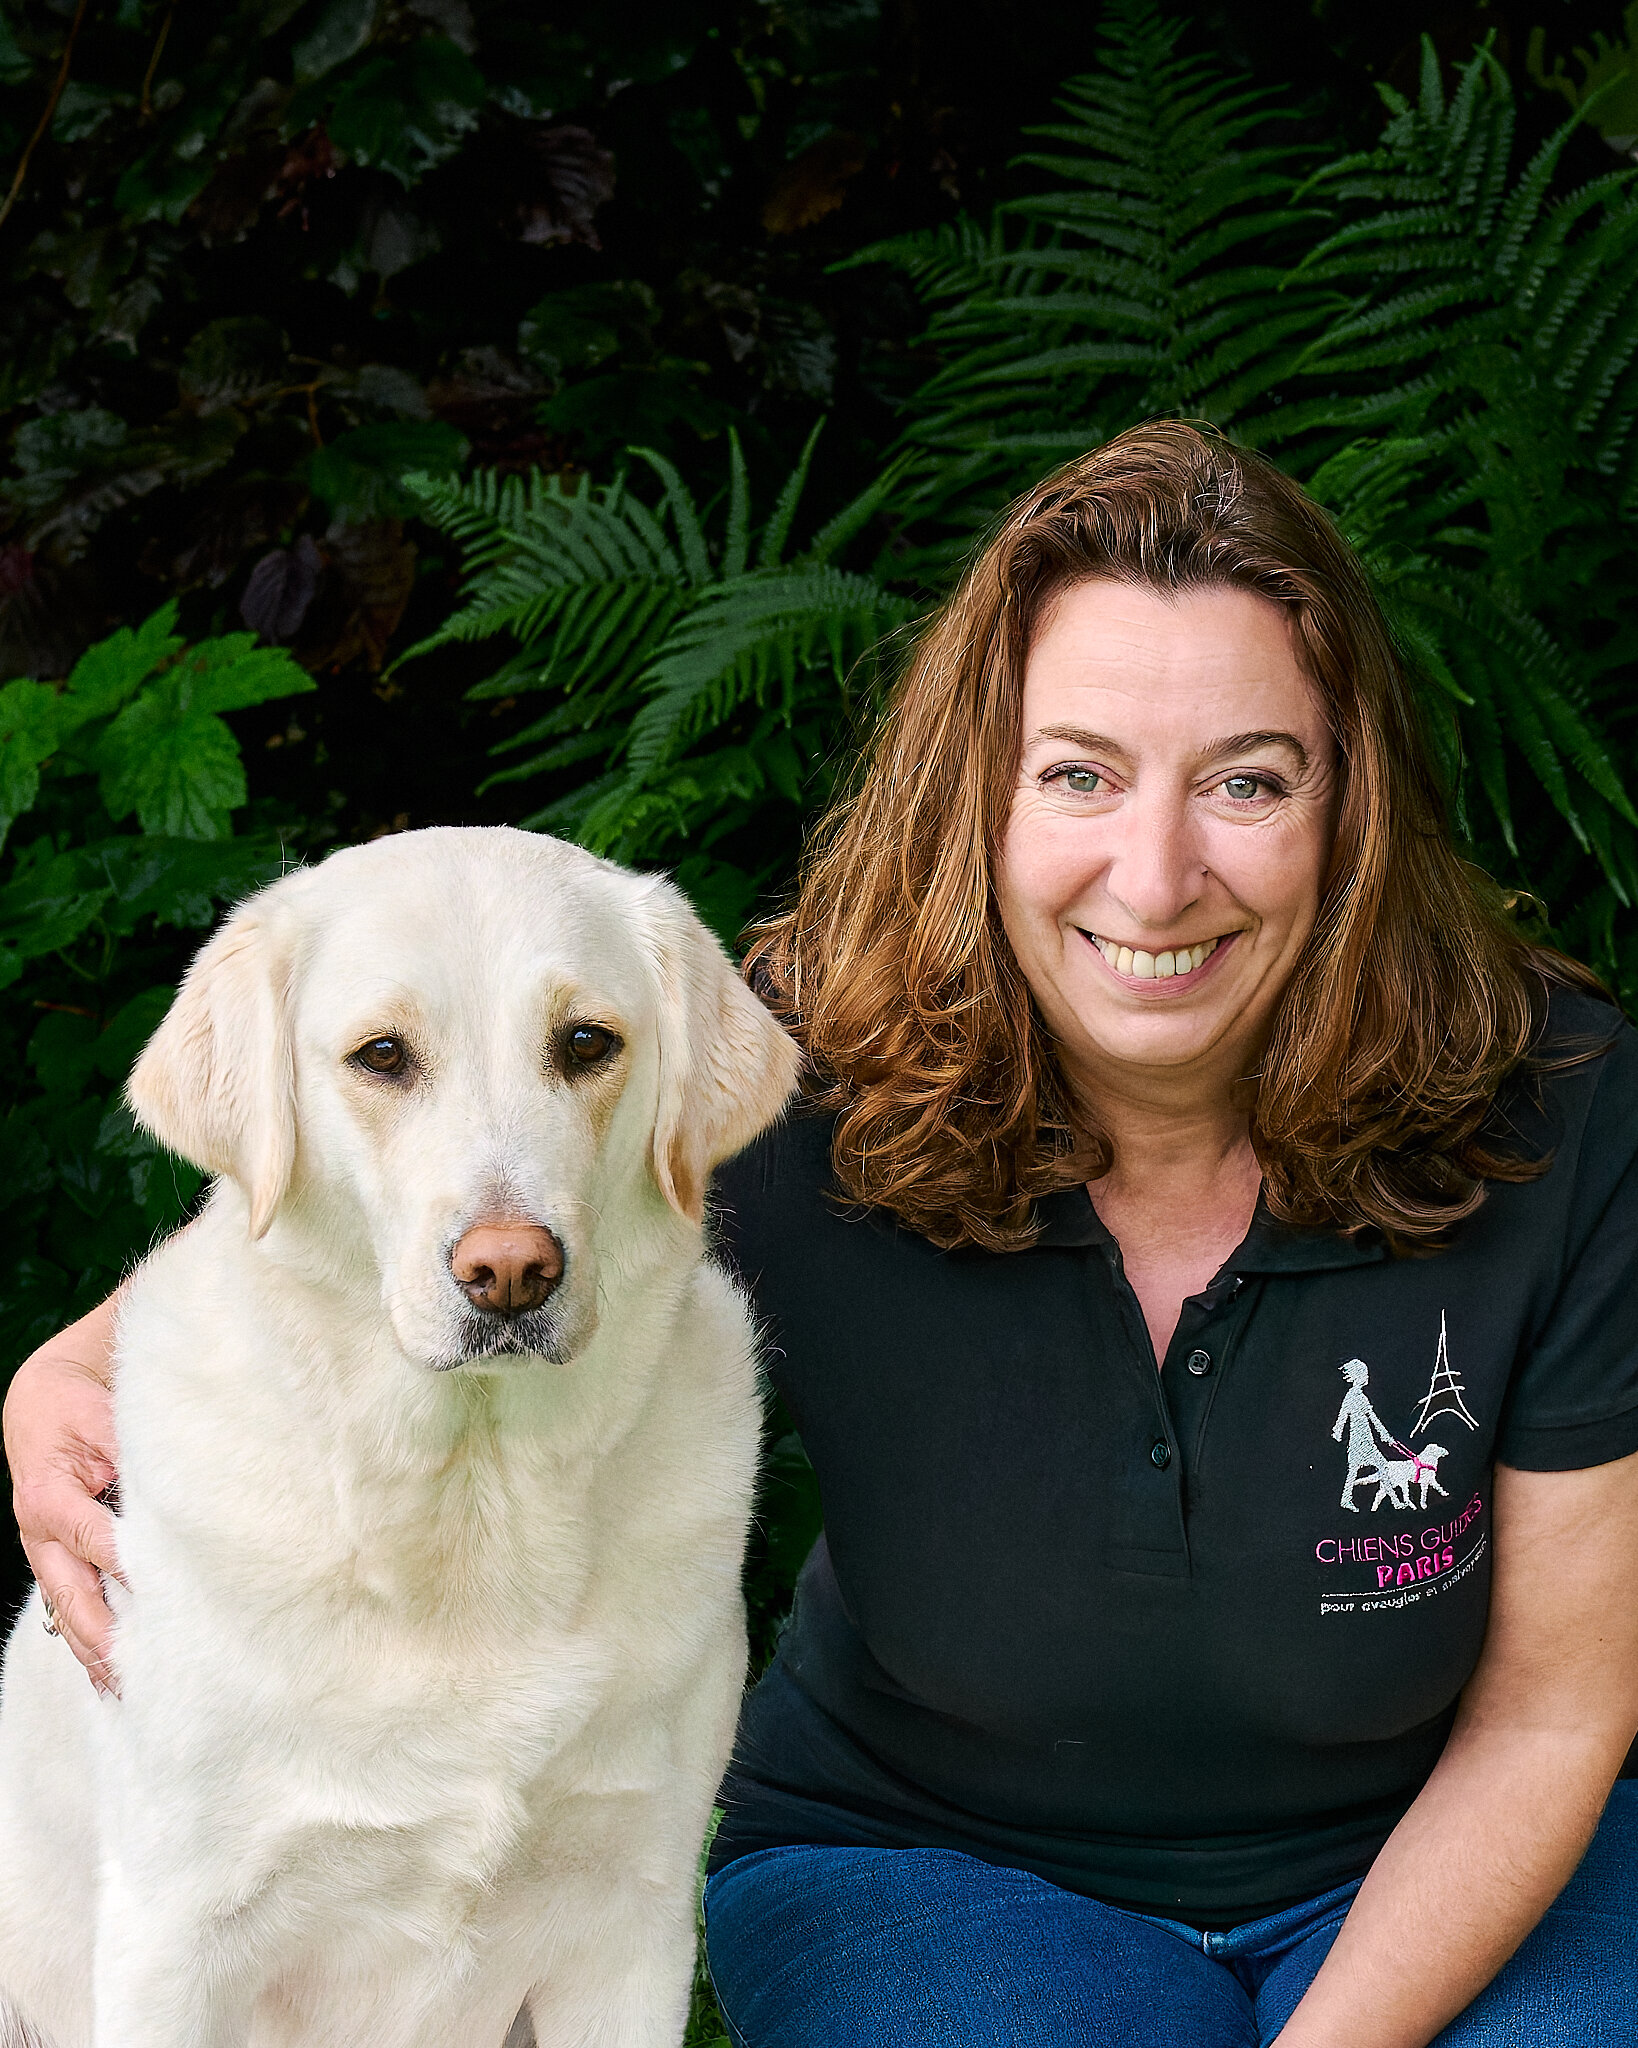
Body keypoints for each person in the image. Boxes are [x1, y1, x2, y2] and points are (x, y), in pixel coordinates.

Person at [8, 423, 1638, 2048]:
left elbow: (1561, 1709)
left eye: (1246, 781)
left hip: (1438, 1847)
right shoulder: (813, 1079)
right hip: (932, 1868)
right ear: (973, 798)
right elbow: (441, 1210)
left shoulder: (1552, 1109)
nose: (1153, 877)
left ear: (1348, 803)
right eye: (1075, 773)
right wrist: (57, 1380)